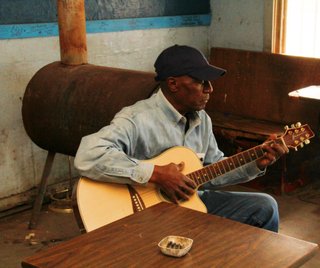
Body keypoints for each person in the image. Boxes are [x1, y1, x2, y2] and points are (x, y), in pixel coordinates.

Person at [74, 44, 287, 232]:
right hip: (146, 213)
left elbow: (212, 172)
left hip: (188, 202)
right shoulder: (137, 118)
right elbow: (88, 154)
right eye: (201, 82)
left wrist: (256, 162)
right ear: (173, 84)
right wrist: (156, 174)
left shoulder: (202, 120)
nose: (210, 89)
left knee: (265, 207)